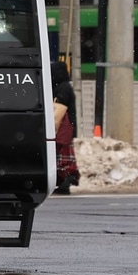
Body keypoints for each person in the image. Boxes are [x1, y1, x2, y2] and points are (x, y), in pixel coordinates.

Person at [50, 60, 80, 194]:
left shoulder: (62, 88)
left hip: (63, 128)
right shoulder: (65, 86)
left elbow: (59, 110)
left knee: (62, 157)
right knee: (63, 157)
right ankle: (65, 182)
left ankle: (66, 182)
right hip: (67, 128)